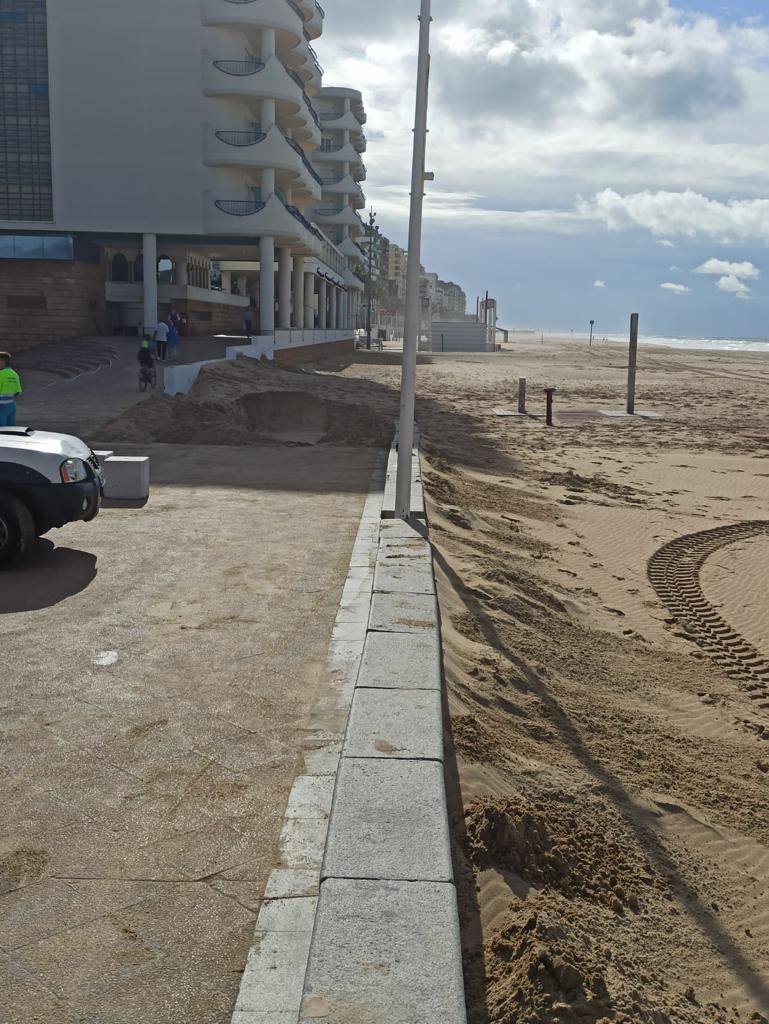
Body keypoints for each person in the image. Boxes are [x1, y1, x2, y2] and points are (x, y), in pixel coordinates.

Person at [0, 352, 22, 427]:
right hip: (11, 407)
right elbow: (18, 392)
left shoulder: (1, 374)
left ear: (2, 361)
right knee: (10, 431)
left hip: (1, 407)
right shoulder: (15, 374)